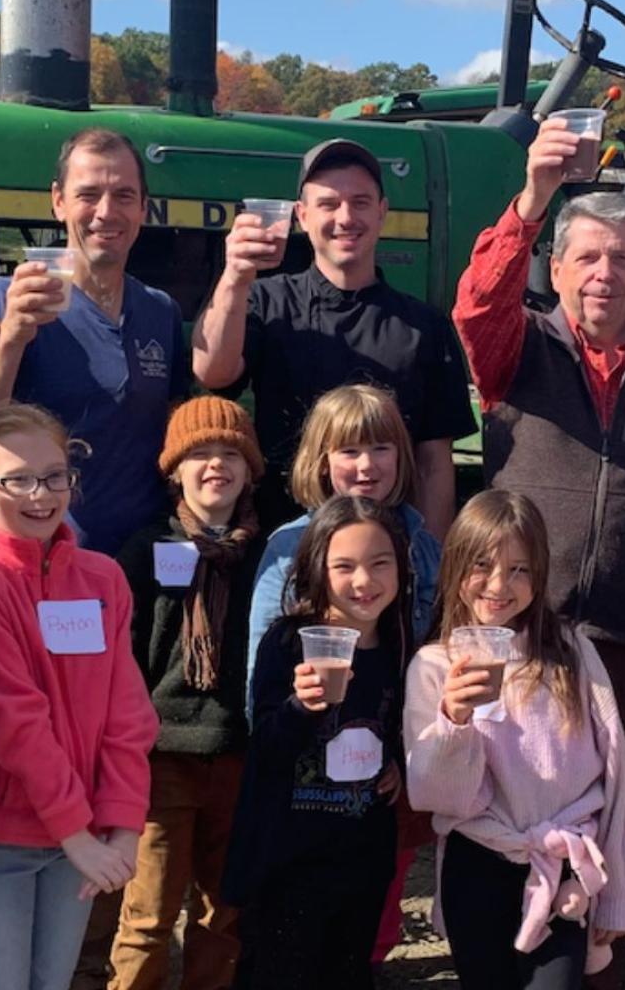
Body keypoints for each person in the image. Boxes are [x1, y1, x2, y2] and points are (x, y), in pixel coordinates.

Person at [452, 123, 625, 791]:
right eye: (586, 258)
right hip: (519, 629)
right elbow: (475, 306)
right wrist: (534, 196)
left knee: (612, 821)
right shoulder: (516, 348)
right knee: (506, 808)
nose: (603, 274)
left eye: (620, 259)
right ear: (555, 270)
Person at [0, 404, 159, 990]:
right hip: (1, 838)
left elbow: (127, 712)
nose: (41, 494)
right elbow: (14, 717)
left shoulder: (103, 577)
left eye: (56, 475)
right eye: (17, 480)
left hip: (83, 838)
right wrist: (77, 832)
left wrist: (123, 823)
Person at [404, 490, 625, 990]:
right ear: (454, 568)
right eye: (483, 564)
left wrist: (620, 894)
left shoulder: (572, 653)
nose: (499, 585)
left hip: (561, 865)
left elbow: (618, 774)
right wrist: (455, 720)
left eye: (519, 570)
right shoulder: (434, 666)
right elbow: (438, 798)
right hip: (477, 864)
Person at [192, 137, 475, 538]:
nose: (345, 217)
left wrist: (430, 565)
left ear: (382, 213)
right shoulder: (265, 301)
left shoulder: (424, 325)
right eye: (328, 204)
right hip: (285, 545)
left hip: (386, 559)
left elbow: (434, 463)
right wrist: (235, 276)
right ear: (302, 216)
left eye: (360, 202)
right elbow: (212, 372)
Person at [108, 397, 266, 990]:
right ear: (174, 469)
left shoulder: (266, 554)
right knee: (147, 915)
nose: (216, 465)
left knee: (223, 914)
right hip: (161, 758)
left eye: (231, 453)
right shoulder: (147, 549)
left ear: (251, 469)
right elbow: (121, 656)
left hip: (237, 755)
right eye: (199, 453)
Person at [222, 495, 410, 990]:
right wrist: (298, 708)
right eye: (344, 566)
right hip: (289, 863)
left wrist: (397, 766)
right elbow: (264, 746)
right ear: (316, 568)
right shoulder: (288, 642)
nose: (364, 581)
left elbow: (391, 727)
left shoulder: (397, 646)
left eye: (379, 563)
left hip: (362, 858)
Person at [0, 127, 189, 558]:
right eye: (89, 194)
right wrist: (12, 340)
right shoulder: (8, 300)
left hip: (141, 564)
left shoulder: (160, 312)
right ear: (58, 202)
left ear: (143, 209)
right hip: (42, 558)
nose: (106, 212)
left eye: (124, 196)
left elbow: (179, 436)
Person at [245, 383, 441, 714]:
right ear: (323, 461)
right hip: (312, 738)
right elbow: (261, 671)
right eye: (349, 451)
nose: (366, 466)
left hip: (400, 734)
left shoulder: (421, 545)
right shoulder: (289, 547)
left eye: (381, 448)